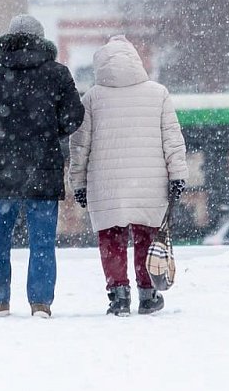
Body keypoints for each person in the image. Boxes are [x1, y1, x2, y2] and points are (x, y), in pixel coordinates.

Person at [0, 15, 84, 319]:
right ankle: (41, 302)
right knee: (42, 238)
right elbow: (73, 117)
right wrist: (47, 134)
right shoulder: (57, 74)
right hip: (43, 167)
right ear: (42, 40)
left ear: (8, 38)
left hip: (2, 168)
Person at [69, 35, 188, 316]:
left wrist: (79, 182)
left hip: (106, 185)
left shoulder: (91, 99)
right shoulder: (158, 93)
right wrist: (177, 176)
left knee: (111, 239)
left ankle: (119, 295)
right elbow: (172, 139)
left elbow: (80, 145)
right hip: (150, 183)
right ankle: (148, 295)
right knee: (147, 236)